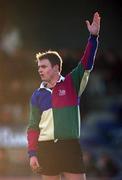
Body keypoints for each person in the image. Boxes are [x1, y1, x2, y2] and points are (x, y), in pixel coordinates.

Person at [27, 12, 101, 180]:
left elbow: (86, 62)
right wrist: (32, 153)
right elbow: (32, 126)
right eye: (39, 66)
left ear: (56, 68)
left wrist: (93, 37)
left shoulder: (71, 83)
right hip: (46, 148)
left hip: (69, 147)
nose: (40, 70)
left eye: (44, 66)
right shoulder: (37, 95)